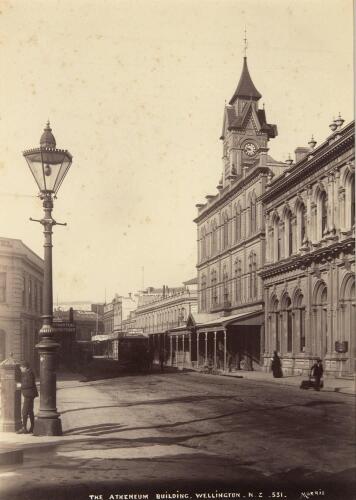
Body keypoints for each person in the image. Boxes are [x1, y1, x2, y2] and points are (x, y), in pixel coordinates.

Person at [17, 361, 38, 434]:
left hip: (29, 395)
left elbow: (30, 384)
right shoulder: (27, 373)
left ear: (25, 367)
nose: (20, 368)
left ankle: (24, 428)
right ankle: (32, 427)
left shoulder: (29, 373)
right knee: (30, 411)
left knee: (24, 412)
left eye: (21, 367)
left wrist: (21, 386)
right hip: (29, 394)